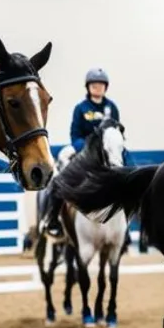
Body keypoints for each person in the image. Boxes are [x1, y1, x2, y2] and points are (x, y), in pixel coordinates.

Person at [39, 68, 124, 239]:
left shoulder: (112, 107)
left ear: (105, 87)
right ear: (88, 87)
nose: (97, 87)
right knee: (61, 180)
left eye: (100, 84)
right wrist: (87, 147)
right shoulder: (81, 108)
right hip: (85, 151)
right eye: (94, 84)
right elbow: (75, 134)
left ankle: (126, 224)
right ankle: (52, 219)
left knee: (132, 175)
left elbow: (116, 132)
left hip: (110, 152)